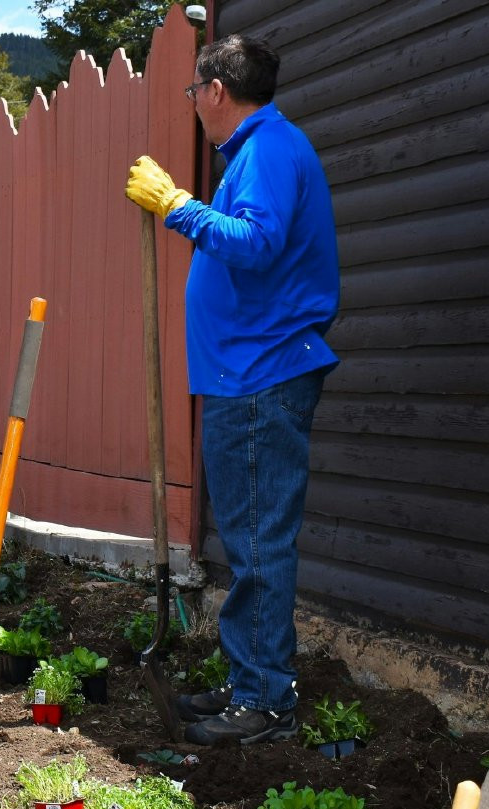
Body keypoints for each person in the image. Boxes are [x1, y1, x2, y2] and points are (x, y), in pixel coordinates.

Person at [126, 33, 339, 747]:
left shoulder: (271, 151)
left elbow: (255, 243)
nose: (192, 105)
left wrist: (177, 206)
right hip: (246, 375)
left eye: (193, 92)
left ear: (216, 90)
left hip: (263, 375)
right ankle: (250, 681)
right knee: (248, 539)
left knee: (257, 543)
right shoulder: (257, 152)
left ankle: (265, 702)